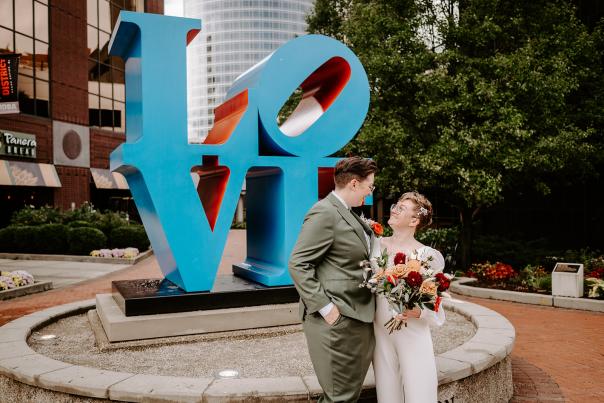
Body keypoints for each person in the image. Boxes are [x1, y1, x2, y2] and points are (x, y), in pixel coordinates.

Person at [289, 156, 378, 403]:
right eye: (370, 186)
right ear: (353, 183)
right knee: (340, 396)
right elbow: (298, 263)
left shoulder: (347, 212)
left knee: (345, 395)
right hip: (338, 320)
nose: (370, 193)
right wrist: (327, 309)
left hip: (356, 316)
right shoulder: (324, 212)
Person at [372, 191, 445, 403]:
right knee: (386, 393)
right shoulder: (375, 246)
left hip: (411, 331)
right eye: (395, 205)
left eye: (401, 208)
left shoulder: (427, 256)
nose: (393, 209)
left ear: (414, 220)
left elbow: (434, 302)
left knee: (419, 391)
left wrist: (418, 311)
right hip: (381, 332)